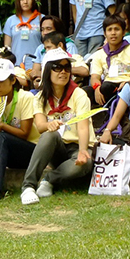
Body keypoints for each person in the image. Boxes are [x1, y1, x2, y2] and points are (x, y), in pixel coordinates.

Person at [21, 49, 94, 205]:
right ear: (47, 71)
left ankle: (49, 179)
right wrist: (50, 124)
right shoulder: (40, 97)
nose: (63, 72)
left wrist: (82, 150)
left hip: (76, 147)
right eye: (57, 67)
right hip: (57, 147)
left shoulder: (79, 94)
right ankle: (28, 187)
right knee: (49, 134)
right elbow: (40, 127)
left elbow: (83, 126)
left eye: (67, 68)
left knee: (86, 162)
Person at [0, 59, 38, 200]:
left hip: (30, 151)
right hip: (3, 151)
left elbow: (24, 134)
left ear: (12, 80)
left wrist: (1, 126)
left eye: (0, 81)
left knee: (1, 136)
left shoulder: (26, 97)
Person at [88, 14, 130, 107]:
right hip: (107, 88)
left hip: (128, 85)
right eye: (109, 30)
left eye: (117, 29)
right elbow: (95, 77)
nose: (113, 33)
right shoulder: (99, 54)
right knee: (86, 91)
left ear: (123, 32)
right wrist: (96, 88)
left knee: (106, 86)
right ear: (105, 34)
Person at [3, 0, 43, 70]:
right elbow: (7, 46)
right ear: (18, 1)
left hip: (36, 64)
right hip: (16, 65)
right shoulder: (11, 20)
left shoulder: (41, 18)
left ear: (33, 1)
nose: (25, 2)